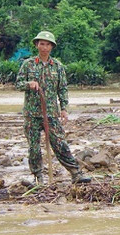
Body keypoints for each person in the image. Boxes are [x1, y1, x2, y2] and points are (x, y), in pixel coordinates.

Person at [15, 31, 91, 185]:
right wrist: (29, 84)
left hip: (51, 113)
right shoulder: (28, 64)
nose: (44, 47)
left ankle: (75, 173)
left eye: (47, 44)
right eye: (42, 44)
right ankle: (38, 177)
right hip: (32, 114)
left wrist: (64, 109)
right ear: (37, 45)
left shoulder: (57, 66)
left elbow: (62, 89)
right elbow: (18, 84)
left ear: (51, 47)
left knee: (60, 144)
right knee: (34, 148)